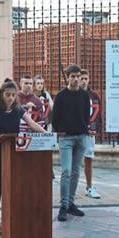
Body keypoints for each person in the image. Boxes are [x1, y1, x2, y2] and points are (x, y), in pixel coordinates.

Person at [0, 80, 46, 234]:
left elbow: (32, 124)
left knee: (13, 188)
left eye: (13, 95)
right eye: (7, 95)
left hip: (14, 155)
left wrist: (47, 135)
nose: (11, 98)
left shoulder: (18, 110)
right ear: (2, 95)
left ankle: (11, 218)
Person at [52, 64, 90, 222]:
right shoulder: (61, 96)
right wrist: (62, 132)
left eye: (78, 76)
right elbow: (55, 119)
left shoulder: (84, 95)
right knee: (66, 171)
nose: (76, 79)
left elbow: (86, 115)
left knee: (75, 172)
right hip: (66, 138)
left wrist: (83, 130)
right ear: (67, 77)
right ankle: (63, 206)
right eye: (73, 76)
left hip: (81, 137)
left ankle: (71, 203)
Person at [80, 69, 101, 199]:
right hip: (75, 132)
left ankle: (89, 187)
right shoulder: (73, 94)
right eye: (81, 78)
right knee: (73, 162)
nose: (83, 81)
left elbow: (98, 113)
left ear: (89, 80)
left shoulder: (94, 96)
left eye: (85, 79)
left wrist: (96, 129)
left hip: (89, 132)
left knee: (88, 158)